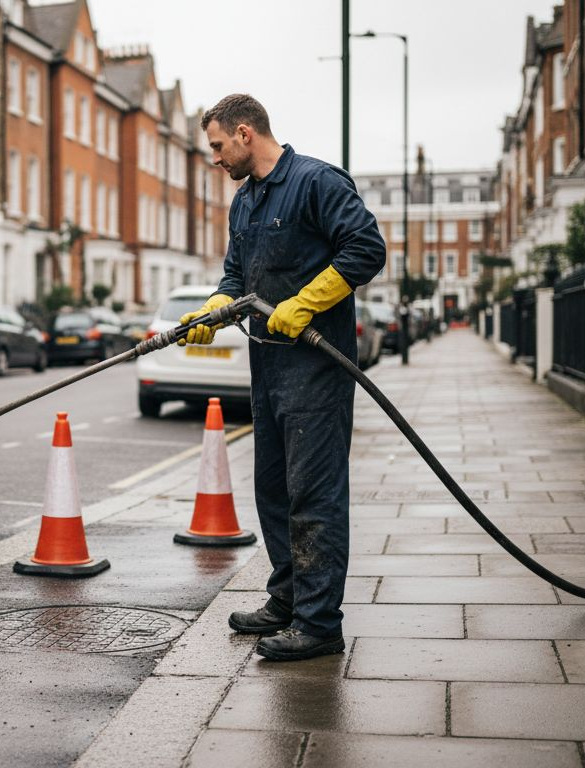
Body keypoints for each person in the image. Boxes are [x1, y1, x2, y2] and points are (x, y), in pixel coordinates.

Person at [182, 94, 385, 661]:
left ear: (245, 134)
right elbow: (234, 278)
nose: (216, 160)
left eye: (219, 146)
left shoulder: (318, 182)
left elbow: (366, 249)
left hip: (317, 366)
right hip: (267, 364)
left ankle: (320, 625)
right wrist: (210, 311)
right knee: (272, 488)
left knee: (313, 494)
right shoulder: (243, 202)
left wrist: (307, 301)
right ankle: (288, 599)